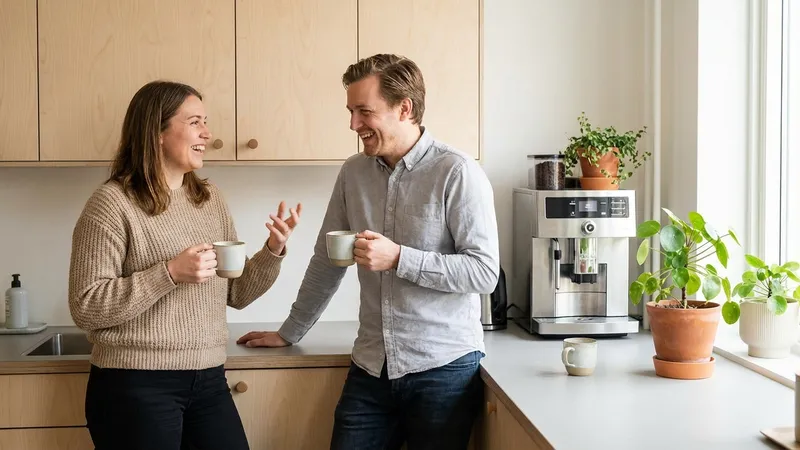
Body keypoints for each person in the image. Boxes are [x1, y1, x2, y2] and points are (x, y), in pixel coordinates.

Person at [237, 54, 500, 449]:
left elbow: (483, 273)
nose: (353, 124)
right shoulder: (353, 173)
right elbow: (327, 262)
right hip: (371, 366)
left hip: (442, 369)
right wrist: (290, 332)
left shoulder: (457, 172)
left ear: (404, 108)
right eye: (351, 111)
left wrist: (399, 259)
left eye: (364, 111)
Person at [68, 80, 302, 450]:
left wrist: (273, 249)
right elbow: (86, 306)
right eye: (195, 122)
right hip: (136, 385)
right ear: (156, 132)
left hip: (208, 378)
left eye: (205, 122)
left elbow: (236, 292)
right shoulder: (111, 204)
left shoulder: (209, 199)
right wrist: (169, 273)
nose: (207, 133)